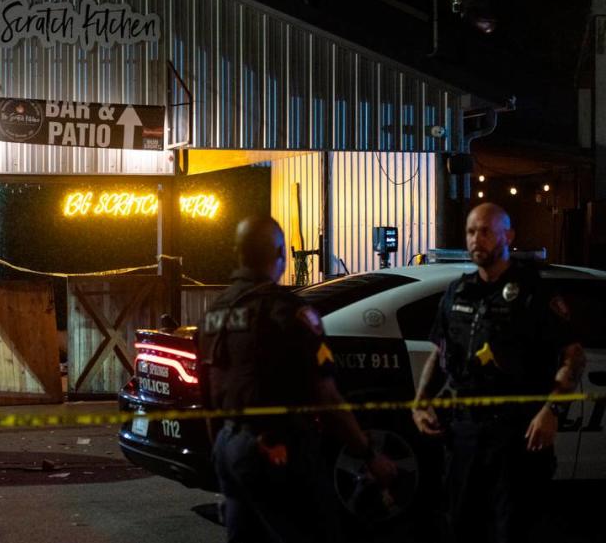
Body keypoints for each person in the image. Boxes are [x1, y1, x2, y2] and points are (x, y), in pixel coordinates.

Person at [198, 215, 397, 543]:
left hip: (229, 448)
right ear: (279, 254)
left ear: (238, 253)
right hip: (279, 450)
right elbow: (327, 396)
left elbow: (211, 392)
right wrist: (368, 455)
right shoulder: (287, 312)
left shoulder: (214, 313)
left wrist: (223, 450)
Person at [411, 203, 586, 543]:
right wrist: (420, 402)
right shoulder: (458, 291)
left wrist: (552, 412)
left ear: (508, 235)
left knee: (514, 530)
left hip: (516, 436)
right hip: (464, 433)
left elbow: (574, 356)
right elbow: (439, 350)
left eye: (486, 231)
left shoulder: (534, 293)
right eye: (471, 232)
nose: (477, 239)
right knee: (462, 526)